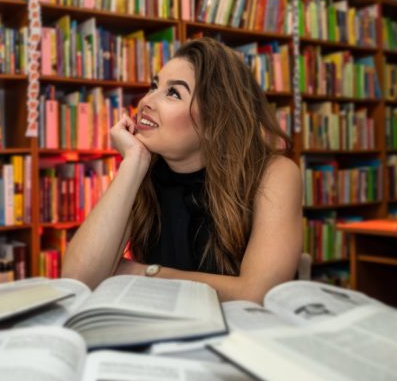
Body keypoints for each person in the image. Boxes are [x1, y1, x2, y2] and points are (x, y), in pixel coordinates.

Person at [62, 38, 303, 303]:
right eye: (154, 86)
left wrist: (141, 273)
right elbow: (78, 280)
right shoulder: (143, 171)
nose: (146, 101)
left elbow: (258, 294)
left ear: (214, 122)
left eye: (173, 93)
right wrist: (133, 162)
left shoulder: (275, 173)